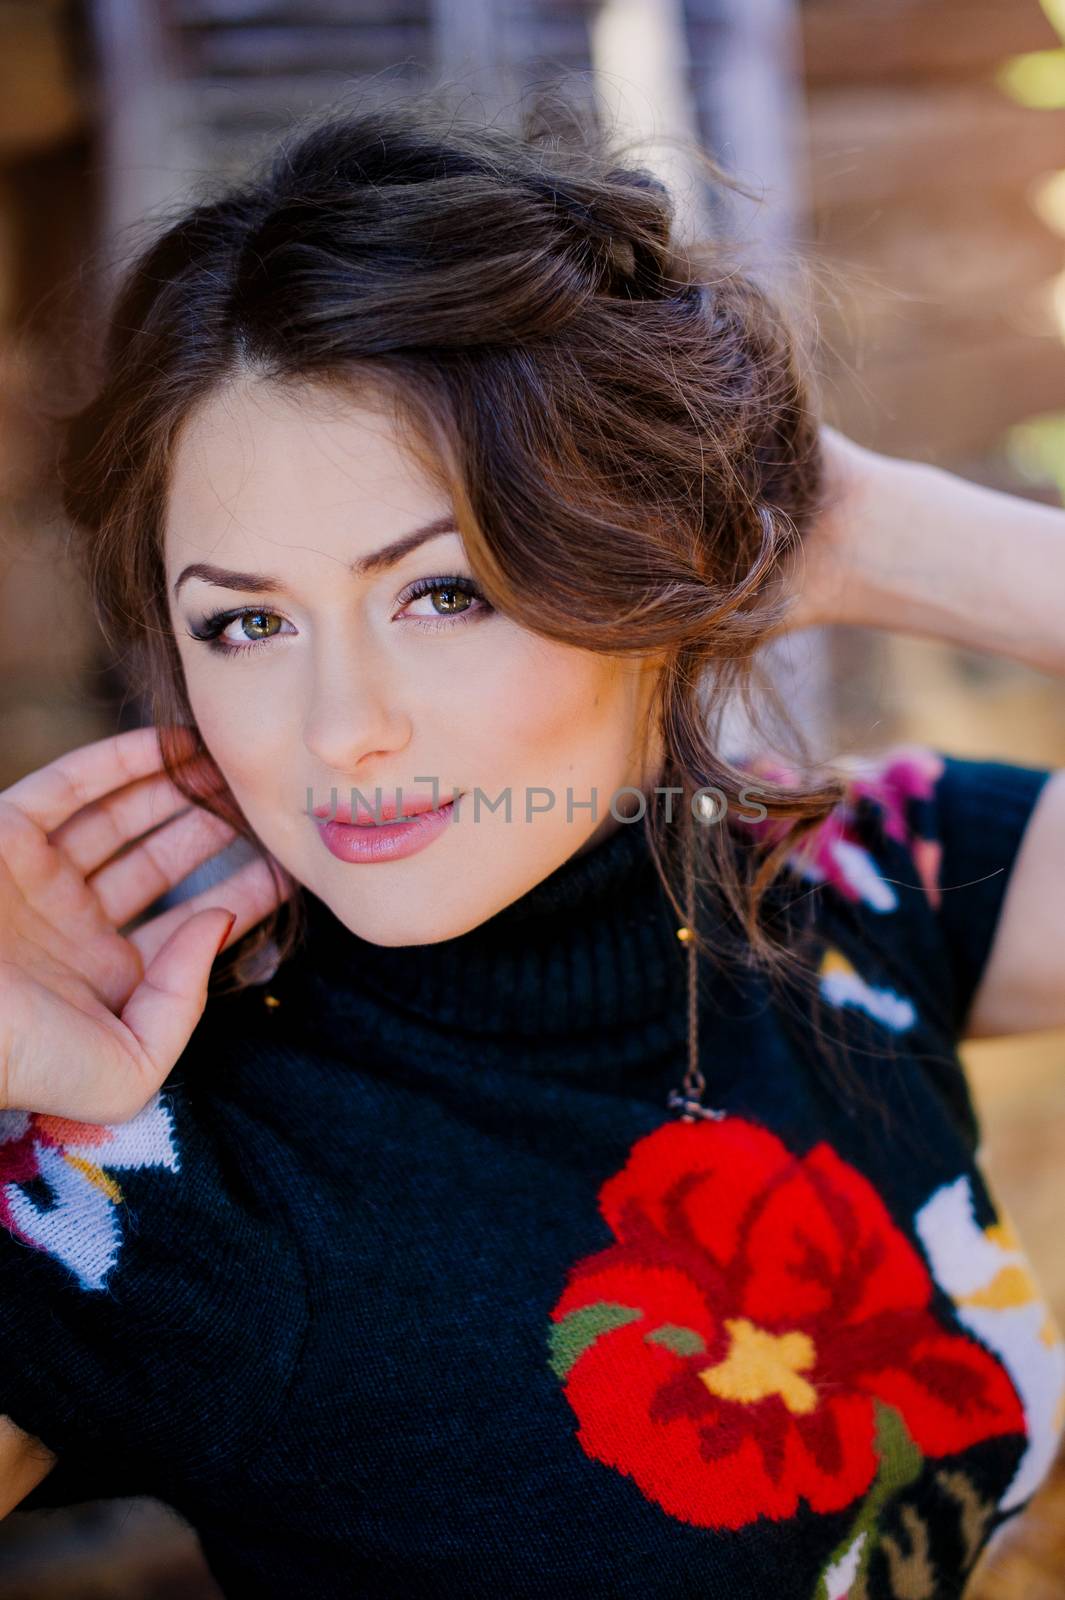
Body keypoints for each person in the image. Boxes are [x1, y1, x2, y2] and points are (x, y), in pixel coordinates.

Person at [1, 88, 1064, 1599]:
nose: (336, 729)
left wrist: (845, 524)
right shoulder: (176, 1181)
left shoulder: (844, 880)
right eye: (243, 622)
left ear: (651, 563)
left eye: (444, 592)